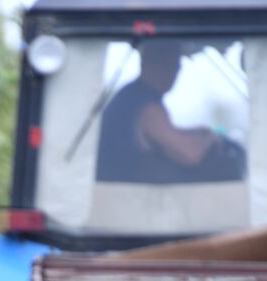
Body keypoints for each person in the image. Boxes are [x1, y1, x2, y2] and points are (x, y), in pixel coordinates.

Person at [96, 40, 245, 184]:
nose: (172, 73)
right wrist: (211, 139)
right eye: (165, 64)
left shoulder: (133, 96)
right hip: (123, 196)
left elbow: (166, 134)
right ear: (146, 63)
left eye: (175, 66)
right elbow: (190, 154)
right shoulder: (145, 105)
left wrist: (197, 132)